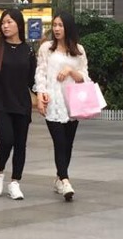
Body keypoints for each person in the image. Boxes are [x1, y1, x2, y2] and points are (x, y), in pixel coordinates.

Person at [0, 9, 36, 200]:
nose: (5, 26)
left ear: (19, 25)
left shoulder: (28, 50)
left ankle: (15, 183)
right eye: (3, 23)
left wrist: (42, 94)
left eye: (9, 22)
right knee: (7, 140)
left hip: (22, 103)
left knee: (21, 144)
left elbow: (32, 80)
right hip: (2, 103)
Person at [35, 12, 89, 201]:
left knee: (68, 143)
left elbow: (85, 76)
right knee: (59, 142)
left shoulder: (79, 50)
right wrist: (40, 96)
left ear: (68, 28)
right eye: (55, 25)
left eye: (61, 25)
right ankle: (65, 181)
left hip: (72, 102)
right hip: (53, 101)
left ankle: (59, 177)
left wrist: (70, 71)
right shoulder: (46, 49)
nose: (57, 29)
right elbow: (40, 73)